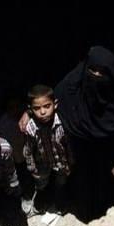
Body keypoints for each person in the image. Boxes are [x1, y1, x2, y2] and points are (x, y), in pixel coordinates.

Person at [54, 46, 114, 221]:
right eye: (92, 70)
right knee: (81, 186)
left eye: (102, 73)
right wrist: (28, 113)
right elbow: (50, 104)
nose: (96, 76)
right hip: (78, 156)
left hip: (105, 159)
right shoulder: (70, 89)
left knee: (104, 191)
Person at [22, 84, 73, 213]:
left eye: (47, 106)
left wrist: (70, 162)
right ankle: (41, 199)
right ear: (30, 109)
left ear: (55, 104)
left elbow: (68, 145)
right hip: (42, 163)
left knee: (61, 183)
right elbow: (28, 150)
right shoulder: (31, 127)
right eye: (37, 108)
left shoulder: (62, 122)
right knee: (41, 183)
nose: (43, 112)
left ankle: (60, 202)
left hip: (61, 162)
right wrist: (32, 167)